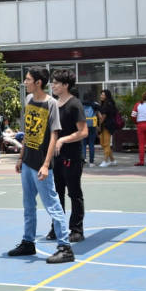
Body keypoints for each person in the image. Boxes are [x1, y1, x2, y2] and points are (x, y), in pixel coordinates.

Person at [6, 67, 74, 264]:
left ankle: (65, 247)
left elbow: (54, 135)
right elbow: (28, 131)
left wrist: (46, 164)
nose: (25, 82)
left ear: (38, 82)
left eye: (27, 79)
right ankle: (28, 242)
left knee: (52, 205)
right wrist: (20, 157)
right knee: (28, 205)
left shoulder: (51, 104)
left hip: (41, 164)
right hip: (27, 162)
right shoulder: (28, 100)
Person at [46, 70, 88, 243]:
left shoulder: (74, 104)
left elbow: (83, 132)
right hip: (56, 157)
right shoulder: (53, 104)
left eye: (56, 83)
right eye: (53, 83)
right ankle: (57, 227)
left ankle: (77, 230)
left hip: (72, 157)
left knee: (74, 193)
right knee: (56, 194)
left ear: (65, 85)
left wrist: (63, 139)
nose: (53, 85)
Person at [97, 89, 119, 167]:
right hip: (105, 126)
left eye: (103, 95)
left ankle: (105, 161)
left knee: (106, 143)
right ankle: (112, 160)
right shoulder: (105, 104)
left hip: (107, 126)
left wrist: (99, 125)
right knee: (103, 144)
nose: (101, 96)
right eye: (101, 94)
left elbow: (103, 117)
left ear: (106, 96)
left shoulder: (107, 104)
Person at [81, 90, 100, 167]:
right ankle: (91, 162)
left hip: (83, 125)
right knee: (91, 144)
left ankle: (83, 159)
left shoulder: (81, 103)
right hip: (92, 125)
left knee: (84, 144)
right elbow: (99, 112)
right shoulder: (95, 104)